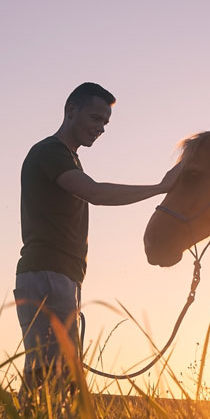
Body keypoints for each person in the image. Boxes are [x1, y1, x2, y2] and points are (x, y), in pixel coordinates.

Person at [14, 82, 181, 399]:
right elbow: (95, 192)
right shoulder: (50, 152)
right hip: (47, 275)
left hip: (60, 277)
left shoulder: (69, 158)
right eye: (94, 118)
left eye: (105, 123)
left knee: (58, 379)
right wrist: (160, 187)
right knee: (49, 378)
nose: (100, 128)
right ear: (71, 111)